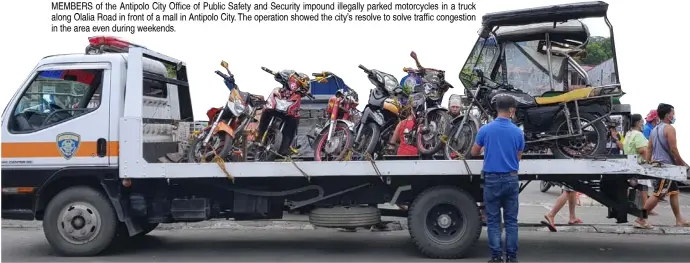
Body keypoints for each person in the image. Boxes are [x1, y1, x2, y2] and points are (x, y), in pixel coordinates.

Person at [471, 96, 524, 263]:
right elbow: (518, 157)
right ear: (512, 110)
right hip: (511, 179)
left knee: (493, 221)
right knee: (511, 222)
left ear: (497, 109)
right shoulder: (518, 132)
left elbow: (474, 152)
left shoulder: (486, 130)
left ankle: (496, 257)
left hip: (492, 180)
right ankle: (512, 258)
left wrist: (486, 150)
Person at [634, 103, 690, 229]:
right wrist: (682, 163)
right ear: (667, 115)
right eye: (672, 113)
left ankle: (679, 220)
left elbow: (649, 148)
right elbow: (674, 149)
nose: (674, 115)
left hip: (658, 165)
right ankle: (640, 218)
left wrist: (648, 164)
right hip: (666, 168)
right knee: (658, 194)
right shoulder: (669, 129)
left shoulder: (654, 130)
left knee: (674, 192)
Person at [623, 114, 657, 215]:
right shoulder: (638, 134)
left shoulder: (629, 133)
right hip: (639, 164)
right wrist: (649, 161)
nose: (643, 124)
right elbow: (642, 150)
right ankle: (646, 209)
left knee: (634, 186)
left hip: (630, 163)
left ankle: (632, 207)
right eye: (642, 122)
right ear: (638, 123)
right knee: (643, 187)